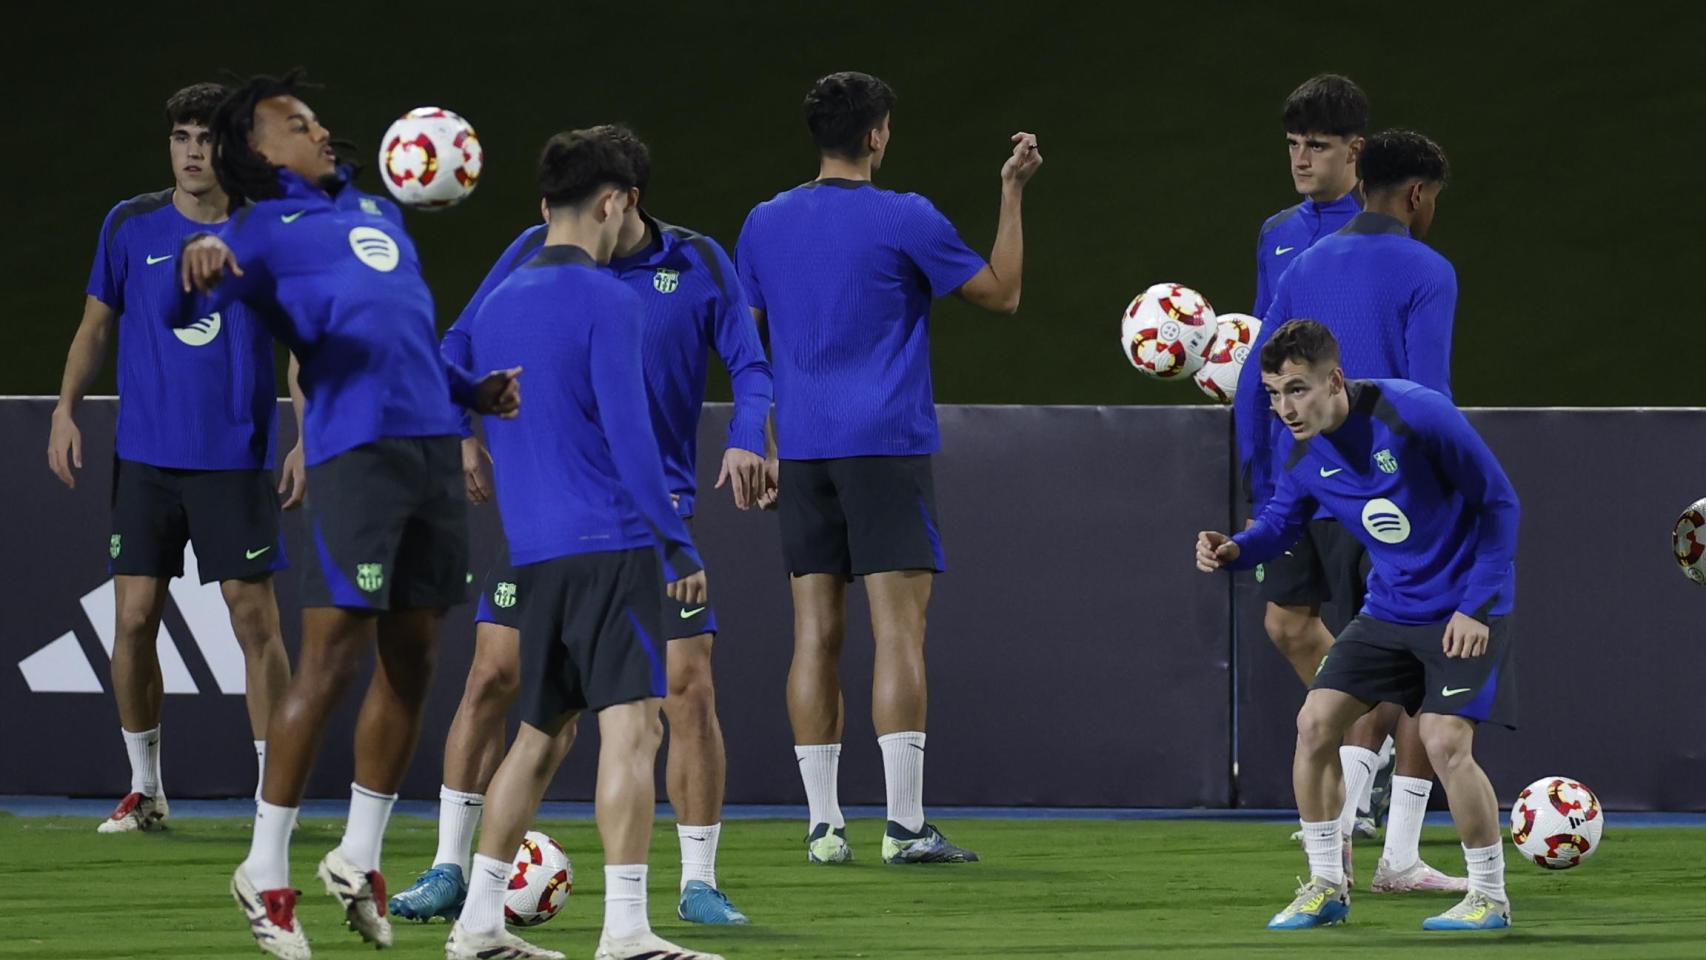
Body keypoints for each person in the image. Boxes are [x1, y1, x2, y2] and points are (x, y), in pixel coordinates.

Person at [173, 71, 520, 960]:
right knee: (329, 658)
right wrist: (197, 276)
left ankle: (358, 856)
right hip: (355, 456)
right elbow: (199, 302)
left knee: (414, 659)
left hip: (430, 450)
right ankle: (264, 868)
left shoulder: (378, 213)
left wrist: (469, 391)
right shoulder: (259, 230)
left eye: (316, 118)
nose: (319, 130)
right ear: (258, 150)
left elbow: (405, 334)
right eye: (297, 123)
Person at [390, 123, 771, 927]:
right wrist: (465, 429)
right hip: (590, 524)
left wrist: (745, 438)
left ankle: (696, 881)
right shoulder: (539, 258)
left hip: (638, 509)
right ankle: (455, 869)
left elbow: (750, 363)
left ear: (624, 202)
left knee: (683, 690)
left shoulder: (695, 260)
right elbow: (455, 343)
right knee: (499, 680)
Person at [735, 70, 1040, 865]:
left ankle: (823, 827)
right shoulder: (905, 216)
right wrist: (1012, 194)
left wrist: (761, 438)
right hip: (885, 446)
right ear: (876, 135)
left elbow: (747, 348)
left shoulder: (763, 224)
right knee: (898, 633)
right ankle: (904, 827)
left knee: (814, 635)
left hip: (801, 449)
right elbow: (1002, 295)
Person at [1199, 320, 1517, 932]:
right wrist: (1237, 549)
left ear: (1335, 380)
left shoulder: (1419, 415)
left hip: (1464, 608)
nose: (1284, 407)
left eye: (1297, 389)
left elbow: (1500, 505)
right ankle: (1326, 886)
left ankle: (1489, 897)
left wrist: (1475, 608)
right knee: (1315, 724)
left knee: (1448, 742)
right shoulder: (1296, 447)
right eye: (1272, 392)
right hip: (1389, 609)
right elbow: (1281, 524)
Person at [48, 82, 297, 833]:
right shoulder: (130, 225)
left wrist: (309, 438)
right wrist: (64, 410)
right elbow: (95, 327)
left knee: (253, 621)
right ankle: (146, 789)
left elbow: (304, 348)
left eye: (206, 138)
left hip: (235, 457)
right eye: (181, 137)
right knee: (133, 619)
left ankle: (271, 798)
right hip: (147, 459)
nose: (192, 152)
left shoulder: (267, 233)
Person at [1239, 128, 1465, 892]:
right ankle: (1397, 854)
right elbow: (1428, 397)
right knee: (1423, 671)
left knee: (1363, 664)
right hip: (1400, 498)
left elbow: (1258, 377)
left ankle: (1341, 854)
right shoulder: (1428, 270)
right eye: (1431, 198)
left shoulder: (1301, 264)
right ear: (1415, 195)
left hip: (1321, 492)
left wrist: (1268, 475)